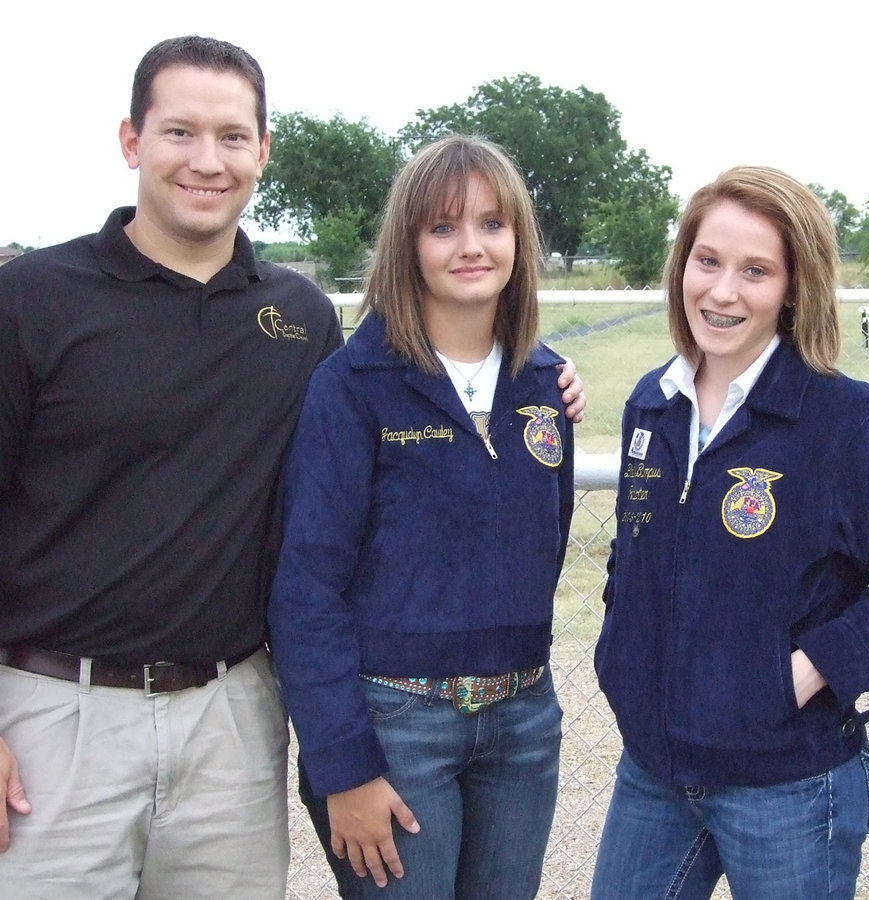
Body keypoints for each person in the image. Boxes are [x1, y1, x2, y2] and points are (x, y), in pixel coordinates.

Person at [0, 39, 585, 898]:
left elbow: (433, 426)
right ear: (131, 140)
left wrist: (548, 378)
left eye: (233, 136)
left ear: (263, 150)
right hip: (61, 713)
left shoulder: (298, 317)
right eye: (180, 132)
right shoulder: (32, 300)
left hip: (233, 711)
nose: (208, 160)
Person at [590, 166, 869, 899]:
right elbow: (637, 554)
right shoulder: (653, 403)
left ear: (794, 287)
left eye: (756, 271)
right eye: (708, 262)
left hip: (788, 782)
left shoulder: (845, 421)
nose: (723, 291)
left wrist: (804, 670)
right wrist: (627, 651)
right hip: (656, 771)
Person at [268, 135, 575, 899]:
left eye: (492, 225)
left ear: (519, 239)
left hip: (524, 722)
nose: (471, 246)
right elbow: (307, 589)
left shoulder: (544, 386)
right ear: (408, 244)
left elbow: (547, 540)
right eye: (443, 228)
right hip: (394, 724)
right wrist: (346, 767)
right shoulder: (352, 386)